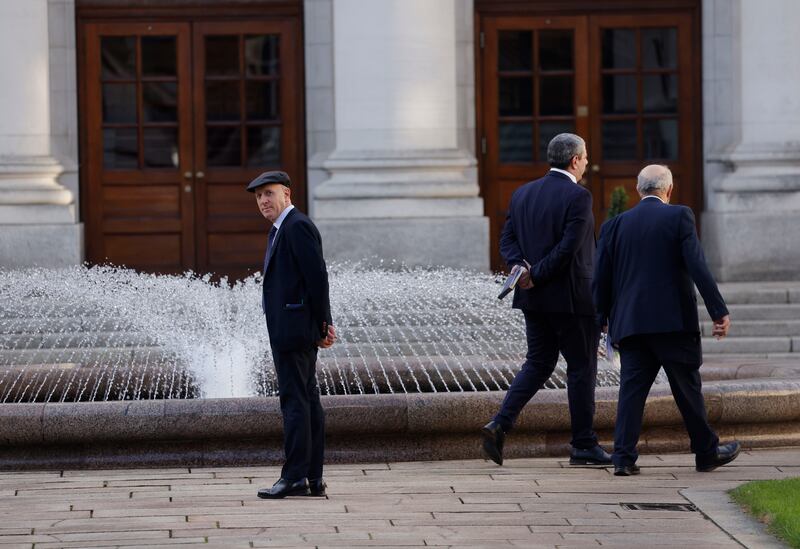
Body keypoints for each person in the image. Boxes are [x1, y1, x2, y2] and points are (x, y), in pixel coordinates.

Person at [593, 164, 739, 476]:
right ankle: (706, 452)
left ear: (638, 190)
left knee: (631, 392)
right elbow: (697, 266)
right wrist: (718, 311)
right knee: (687, 389)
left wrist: (600, 322)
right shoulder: (679, 216)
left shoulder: (614, 225)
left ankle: (622, 458)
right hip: (672, 322)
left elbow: (601, 280)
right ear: (669, 190)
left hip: (631, 324)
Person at [481, 133, 611, 467]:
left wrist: (520, 269)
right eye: (584, 158)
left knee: (538, 364)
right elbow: (568, 248)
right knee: (582, 369)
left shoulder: (523, 193)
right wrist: (534, 273)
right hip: (571, 300)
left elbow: (507, 237)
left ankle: (500, 423)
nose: (585, 164)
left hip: (534, 299)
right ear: (574, 160)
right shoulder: (578, 196)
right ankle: (583, 445)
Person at [248, 170, 337, 499]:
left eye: (268, 193)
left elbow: (318, 277)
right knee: (308, 401)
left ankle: (295, 477)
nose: (263, 201)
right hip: (292, 329)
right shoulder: (282, 228)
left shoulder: (296, 225)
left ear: (287, 193)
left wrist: (323, 324)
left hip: (294, 330)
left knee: (295, 403)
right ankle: (313, 477)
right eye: (258, 197)